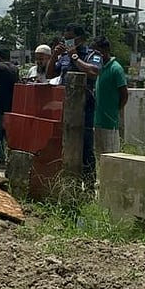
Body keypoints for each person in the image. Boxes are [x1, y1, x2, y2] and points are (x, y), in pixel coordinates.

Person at [46, 25, 103, 180]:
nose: (67, 41)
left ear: (81, 39)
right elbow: (50, 74)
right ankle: (69, 181)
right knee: (64, 145)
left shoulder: (92, 55)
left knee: (85, 148)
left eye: (71, 38)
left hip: (85, 109)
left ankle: (89, 185)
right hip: (64, 109)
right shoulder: (64, 56)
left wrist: (75, 57)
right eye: (66, 38)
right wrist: (54, 56)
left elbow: (93, 72)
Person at [92, 38, 128, 158]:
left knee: (112, 156)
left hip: (110, 122)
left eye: (97, 51)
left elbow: (124, 94)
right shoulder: (99, 68)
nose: (94, 55)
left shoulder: (116, 69)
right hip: (98, 121)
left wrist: (115, 110)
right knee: (99, 156)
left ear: (105, 50)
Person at [0, 48, 18, 170]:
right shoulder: (15, 68)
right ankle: (11, 159)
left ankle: (2, 161)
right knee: (9, 135)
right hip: (12, 106)